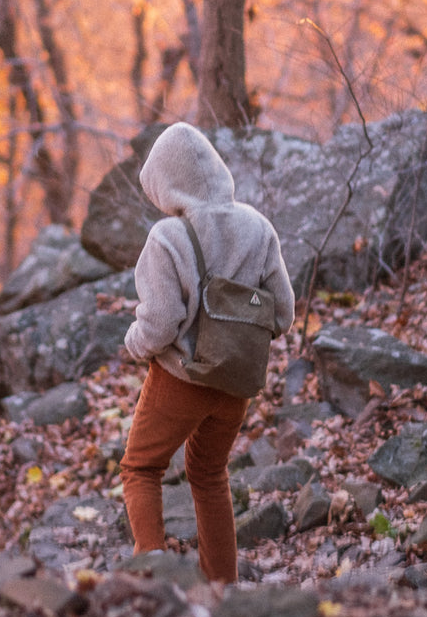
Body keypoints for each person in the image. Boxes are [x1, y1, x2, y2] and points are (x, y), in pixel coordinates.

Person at [119, 122, 296, 583]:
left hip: (182, 379)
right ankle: (223, 588)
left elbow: (158, 325)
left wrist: (133, 344)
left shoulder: (168, 237)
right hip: (237, 385)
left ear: (165, 184)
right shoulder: (259, 227)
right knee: (209, 474)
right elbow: (283, 315)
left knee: (140, 467)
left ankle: (153, 578)